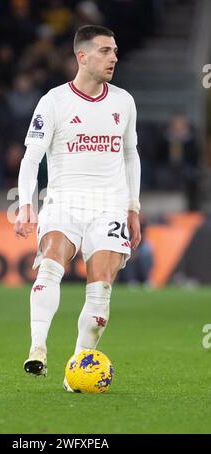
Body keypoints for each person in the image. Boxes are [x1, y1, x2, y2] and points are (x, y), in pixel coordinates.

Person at [14, 25, 141, 389]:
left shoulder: (123, 101)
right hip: (64, 200)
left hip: (110, 205)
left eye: (115, 50)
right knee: (50, 262)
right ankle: (38, 348)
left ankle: (77, 367)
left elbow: (131, 154)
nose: (114, 57)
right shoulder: (54, 101)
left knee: (100, 288)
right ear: (81, 56)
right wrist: (26, 204)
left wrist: (133, 206)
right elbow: (31, 157)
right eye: (105, 51)